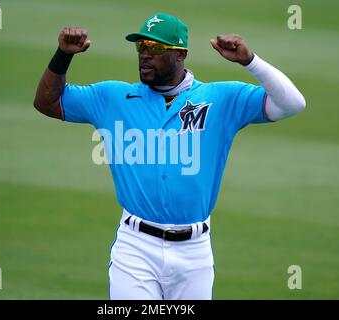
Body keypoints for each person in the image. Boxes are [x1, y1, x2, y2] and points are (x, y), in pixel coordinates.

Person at [33, 13, 306, 300]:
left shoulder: (221, 98)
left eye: (156, 48)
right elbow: (47, 102)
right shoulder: (112, 98)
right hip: (135, 248)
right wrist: (63, 55)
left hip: (195, 252)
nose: (145, 55)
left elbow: (292, 104)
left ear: (180, 54)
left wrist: (250, 61)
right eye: (141, 47)